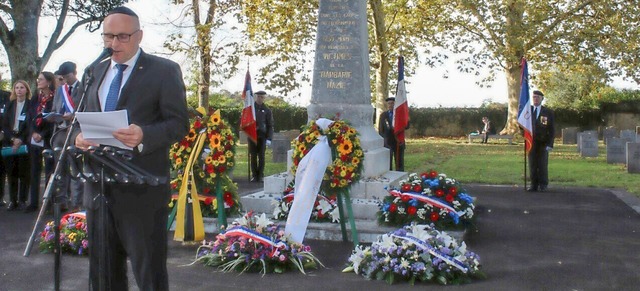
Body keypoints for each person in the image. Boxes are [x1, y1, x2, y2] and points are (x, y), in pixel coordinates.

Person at [73, 7, 188, 290]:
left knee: (149, 274)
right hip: (98, 189)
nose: (114, 44)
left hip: (142, 191)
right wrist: (78, 136)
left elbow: (178, 124)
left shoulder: (164, 70)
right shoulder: (93, 71)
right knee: (103, 275)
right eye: (108, 36)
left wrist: (144, 134)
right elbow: (75, 121)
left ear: (139, 36)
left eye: (123, 36)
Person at [51, 61, 84, 212]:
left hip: (75, 131)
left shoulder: (84, 87)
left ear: (74, 73)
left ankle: (76, 202)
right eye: (62, 76)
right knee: (59, 167)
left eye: (67, 75)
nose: (65, 78)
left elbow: (87, 108)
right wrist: (53, 116)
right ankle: (61, 200)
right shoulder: (60, 90)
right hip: (60, 131)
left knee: (75, 167)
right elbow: (54, 108)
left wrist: (73, 115)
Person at [24, 72, 55, 213]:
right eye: (38, 79)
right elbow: (29, 117)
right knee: (34, 171)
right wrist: (33, 133)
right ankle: (33, 203)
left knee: (49, 171)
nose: (38, 81)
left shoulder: (54, 98)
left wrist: (42, 135)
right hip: (34, 139)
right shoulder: (35, 98)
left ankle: (48, 204)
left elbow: (53, 120)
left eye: (41, 79)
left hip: (48, 139)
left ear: (48, 82)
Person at [2, 80, 31, 211]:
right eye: (17, 88)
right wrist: (13, 138)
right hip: (10, 141)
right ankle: (13, 200)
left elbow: (31, 125)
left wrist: (21, 139)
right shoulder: (9, 105)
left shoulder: (30, 105)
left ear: (26, 90)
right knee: (11, 172)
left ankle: (23, 200)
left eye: (22, 88)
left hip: (24, 141)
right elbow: (4, 125)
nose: (19, 90)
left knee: (24, 172)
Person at [527, 90, 555, 192]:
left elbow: (551, 129)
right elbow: (522, 126)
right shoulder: (528, 111)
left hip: (543, 142)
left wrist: (550, 144)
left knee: (542, 164)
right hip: (531, 142)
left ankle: (543, 185)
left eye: (538, 97)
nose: (535, 99)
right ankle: (533, 184)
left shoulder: (548, 112)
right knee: (532, 163)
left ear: (542, 99)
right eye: (534, 97)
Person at [248, 90, 273, 182]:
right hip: (252, 135)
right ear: (256, 97)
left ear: (264, 98)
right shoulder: (250, 109)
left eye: (262, 97)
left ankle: (260, 175)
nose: (260, 99)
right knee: (253, 156)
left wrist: (269, 138)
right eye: (258, 97)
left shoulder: (267, 110)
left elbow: (270, 125)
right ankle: (254, 175)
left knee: (261, 156)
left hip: (262, 136)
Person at [378, 97, 409, 171]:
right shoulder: (383, 115)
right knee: (388, 163)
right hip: (388, 142)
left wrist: (407, 118)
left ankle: (400, 178)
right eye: (389, 103)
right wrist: (383, 141)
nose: (390, 105)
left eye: (392, 103)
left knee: (399, 163)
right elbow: (381, 130)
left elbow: (407, 126)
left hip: (398, 141)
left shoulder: (400, 115)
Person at [0, 73, 11, 207]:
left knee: (1, 169)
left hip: (3, 138)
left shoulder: (7, 96)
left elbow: (9, 118)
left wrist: (3, 132)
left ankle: (1, 196)